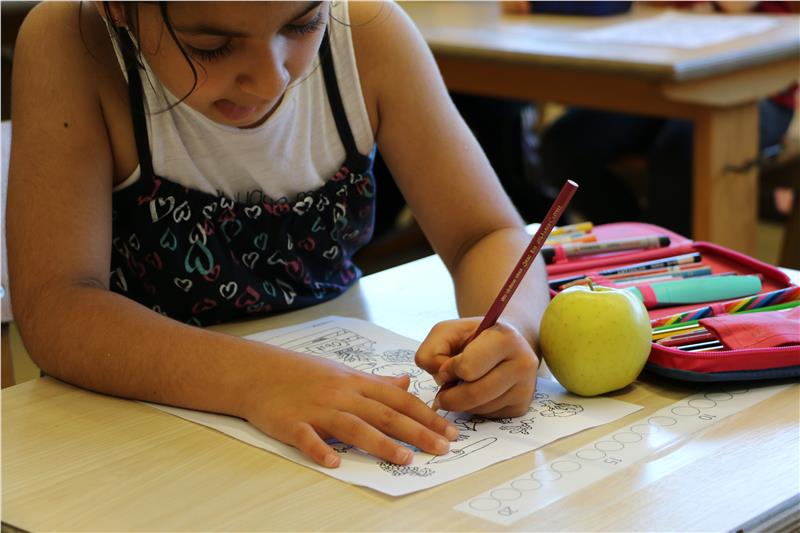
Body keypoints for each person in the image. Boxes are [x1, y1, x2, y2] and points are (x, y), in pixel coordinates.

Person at [7, 1, 549, 468]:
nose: (272, 81)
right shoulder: (73, 41)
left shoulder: (367, 31)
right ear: (117, 8)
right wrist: (256, 380)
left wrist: (510, 333)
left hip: (328, 422)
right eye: (210, 46)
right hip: (129, 439)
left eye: (303, 23)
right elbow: (58, 308)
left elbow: (485, 234)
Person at [539, 1, 797, 238]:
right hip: (664, 78)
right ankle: (636, 241)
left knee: (683, 150)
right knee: (565, 143)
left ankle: (666, 255)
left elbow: (736, 5)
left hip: (758, 89)